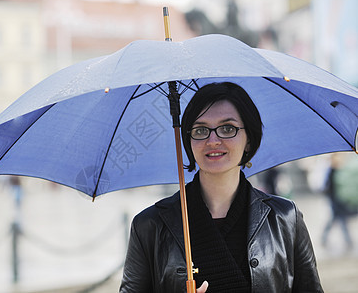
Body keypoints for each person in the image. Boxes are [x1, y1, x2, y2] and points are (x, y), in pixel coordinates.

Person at [119, 82, 323, 292]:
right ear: (188, 140)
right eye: (200, 130)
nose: (213, 140)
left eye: (228, 128)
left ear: (249, 140)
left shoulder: (285, 219)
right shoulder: (149, 226)